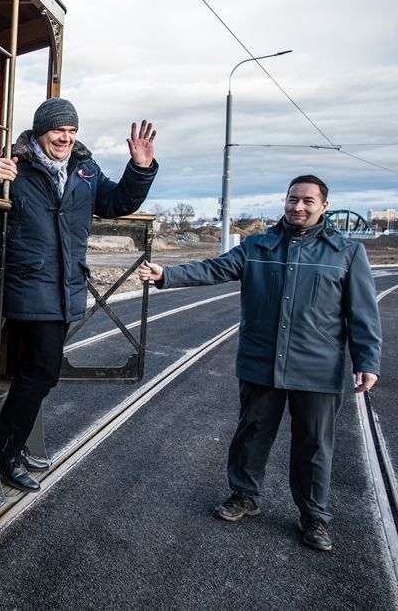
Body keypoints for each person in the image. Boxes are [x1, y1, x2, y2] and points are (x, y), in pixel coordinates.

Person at [138, 174, 381, 552]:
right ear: (284, 202)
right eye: (292, 200)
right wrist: (167, 274)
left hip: (317, 367)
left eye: (307, 201)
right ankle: (244, 495)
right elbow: (215, 268)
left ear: (323, 206)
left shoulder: (346, 252)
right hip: (261, 361)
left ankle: (314, 515)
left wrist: (367, 360)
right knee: (252, 431)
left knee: (314, 444)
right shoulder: (257, 246)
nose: (298, 207)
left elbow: (363, 313)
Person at [0, 97, 158, 492]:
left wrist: (140, 168)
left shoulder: (85, 169)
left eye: (71, 130)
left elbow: (117, 203)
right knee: (41, 372)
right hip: (30, 284)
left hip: (66, 286)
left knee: (37, 373)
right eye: (58, 130)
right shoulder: (16, 165)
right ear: (40, 130)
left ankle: (13, 443)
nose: (65, 137)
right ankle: (6, 454)